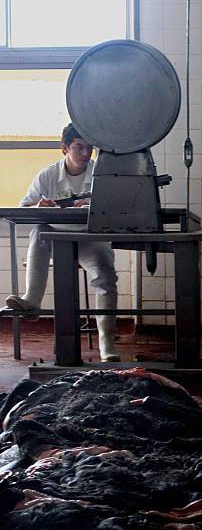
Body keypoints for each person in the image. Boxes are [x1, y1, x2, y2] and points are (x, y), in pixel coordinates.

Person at [5, 123, 121, 362]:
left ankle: (107, 344)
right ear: (64, 148)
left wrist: (92, 207)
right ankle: (32, 300)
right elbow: (23, 208)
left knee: (105, 278)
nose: (85, 153)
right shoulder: (48, 175)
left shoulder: (101, 173)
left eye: (89, 148)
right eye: (79, 147)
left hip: (90, 237)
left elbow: (115, 208)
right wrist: (40, 206)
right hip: (56, 239)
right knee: (39, 230)